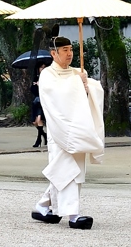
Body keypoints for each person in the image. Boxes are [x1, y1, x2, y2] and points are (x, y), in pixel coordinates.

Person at [32, 36, 104, 230]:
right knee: (66, 171)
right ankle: (73, 214)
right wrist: (76, 83)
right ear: (53, 53)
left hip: (78, 128)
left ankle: (42, 206)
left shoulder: (77, 72)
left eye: (71, 49)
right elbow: (56, 97)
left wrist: (88, 88)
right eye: (64, 50)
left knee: (73, 171)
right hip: (60, 130)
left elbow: (87, 97)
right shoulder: (47, 74)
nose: (70, 53)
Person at [30, 63, 47, 148]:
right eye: (41, 67)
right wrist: (36, 85)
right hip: (36, 102)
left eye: (44, 67)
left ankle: (38, 140)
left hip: (43, 102)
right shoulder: (36, 77)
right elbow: (33, 90)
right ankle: (44, 135)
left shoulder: (48, 78)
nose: (42, 69)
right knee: (35, 122)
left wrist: (41, 86)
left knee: (39, 120)